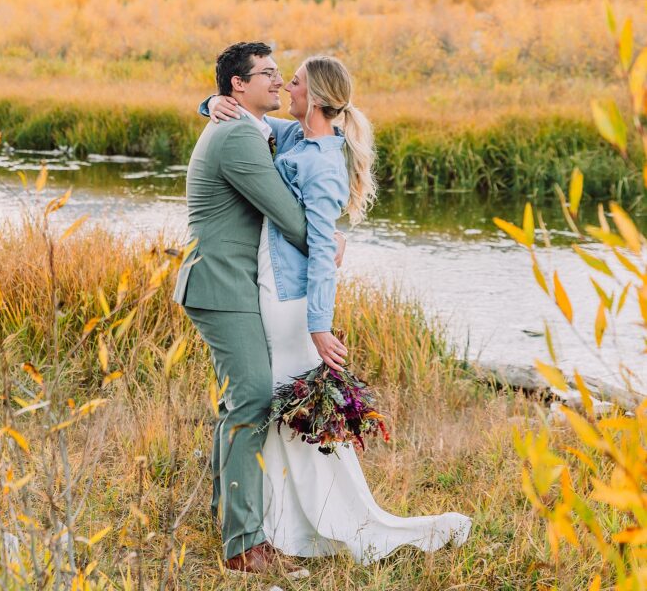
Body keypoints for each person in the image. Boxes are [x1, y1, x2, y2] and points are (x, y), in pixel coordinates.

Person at [204, 53, 472, 562]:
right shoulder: (294, 137)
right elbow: (250, 121)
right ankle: (270, 520)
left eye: (295, 82)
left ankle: (307, 522)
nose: (285, 87)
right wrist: (212, 102)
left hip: (289, 298)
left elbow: (323, 255)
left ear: (317, 98)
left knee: (279, 403)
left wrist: (320, 326)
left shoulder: (323, 161)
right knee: (273, 405)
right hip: (267, 283)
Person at [173, 42, 314, 575]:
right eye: (268, 73)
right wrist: (330, 244)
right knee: (252, 397)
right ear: (239, 84)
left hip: (229, 283)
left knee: (240, 401)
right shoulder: (236, 135)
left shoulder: (251, 126)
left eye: (280, 73)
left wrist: (206, 102)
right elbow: (288, 217)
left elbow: (309, 131)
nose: (278, 81)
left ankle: (233, 522)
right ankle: (245, 546)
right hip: (220, 283)